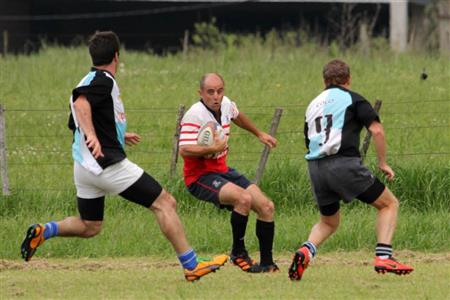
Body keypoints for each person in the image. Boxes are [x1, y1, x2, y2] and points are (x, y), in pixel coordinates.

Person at [20, 31, 227, 282]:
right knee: (165, 203)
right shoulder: (103, 80)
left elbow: (78, 119)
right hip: (107, 165)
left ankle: (45, 230)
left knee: (90, 225)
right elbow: (81, 105)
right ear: (117, 56)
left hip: (84, 168)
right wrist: (94, 137)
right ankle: (192, 265)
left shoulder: (87, 78)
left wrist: (115, 133)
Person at [288, 59, 414, 281]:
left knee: (328, 221)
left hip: (315, 167)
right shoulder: (352, 98)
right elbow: (377, 131)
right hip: (343, 164)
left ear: (324, 81)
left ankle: (305, 251)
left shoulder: (312, 105)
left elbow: (309, 140)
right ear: (348, 79)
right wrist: (383, 163)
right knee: (389, 204)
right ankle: (384, 257)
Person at [178, 73, 279, 273]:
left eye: (220, 91)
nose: (216, 96)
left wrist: (259, 133)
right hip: (199, 177)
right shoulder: (194, 114)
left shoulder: (225, 104)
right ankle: (238, 253)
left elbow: (237, 115)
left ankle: (267, 263)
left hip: (222, 170)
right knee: (243, 199)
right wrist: (212, 148)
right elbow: (184, 149)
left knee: (267, 206)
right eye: (210, 92)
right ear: (201, 93)